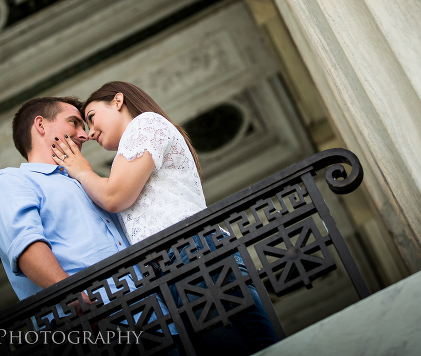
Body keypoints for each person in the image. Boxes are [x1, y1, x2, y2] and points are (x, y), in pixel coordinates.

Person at [51, 81, 279, 355]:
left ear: (118, 101)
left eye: (91, 117)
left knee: (252, 345)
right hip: (175, 262)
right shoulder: (133, 145)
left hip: (192, 252)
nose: (89, 132)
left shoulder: (145, 124)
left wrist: (81, 170)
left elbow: (114, 197)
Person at [0, 96, 131, 312]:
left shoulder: (87, 182)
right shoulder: (10, 181)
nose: (84, 134)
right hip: (96, 325)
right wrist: (73, 296)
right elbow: (26, 244)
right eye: (74, 122)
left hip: (158, 308)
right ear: (40, 124)